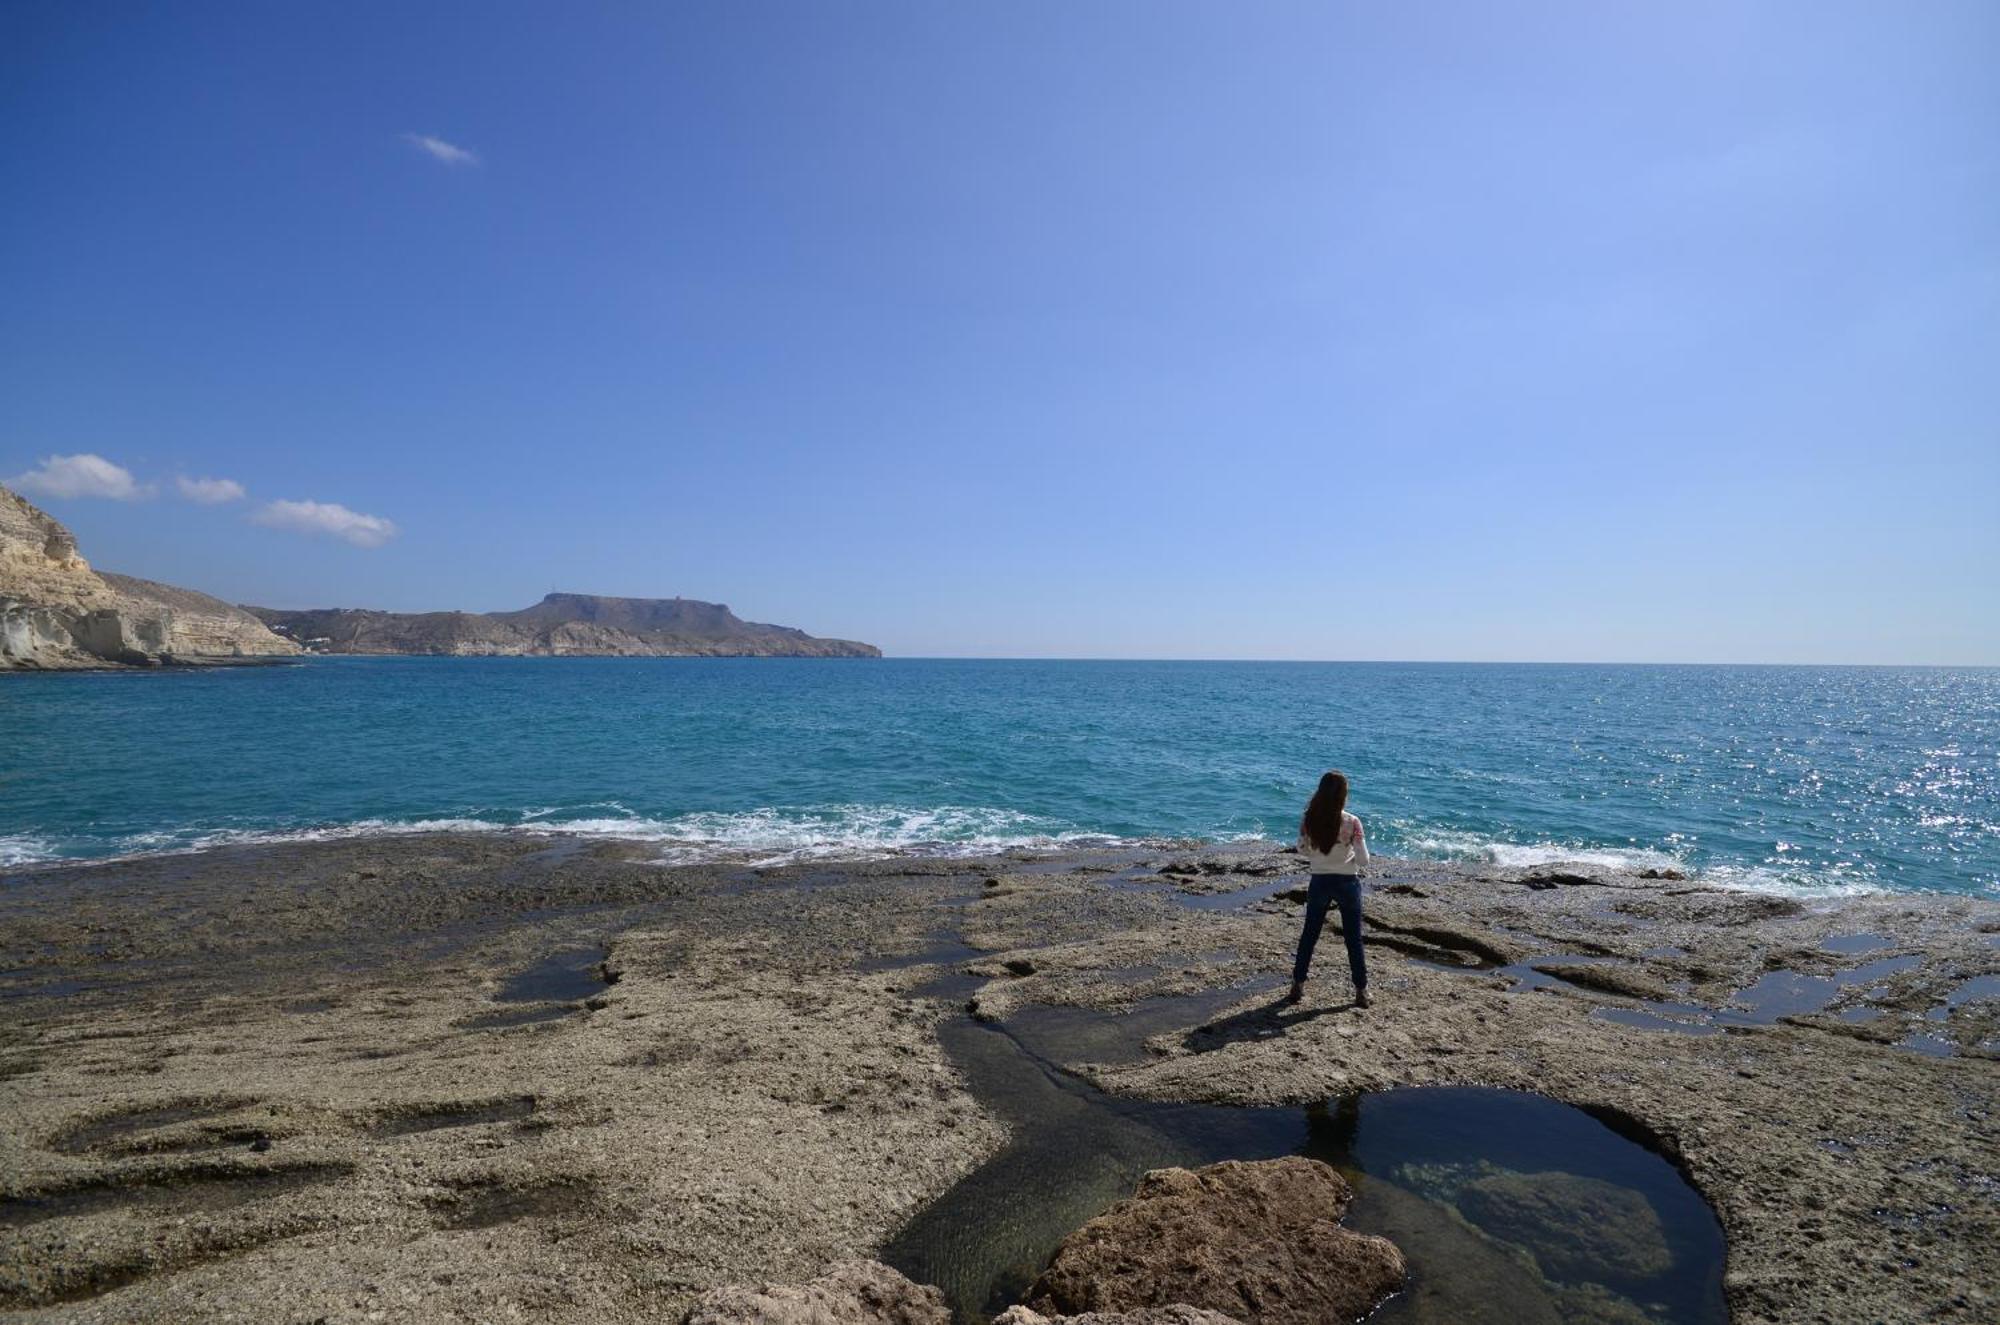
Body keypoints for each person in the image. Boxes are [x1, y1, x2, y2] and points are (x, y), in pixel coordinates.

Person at [1287, 769, 1370, 1007]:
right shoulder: (1352, 822)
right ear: (1343, 795)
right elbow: (1364, 860)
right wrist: (1349, 853)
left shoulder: (1308, 819)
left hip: (1320, 881)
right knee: (1353, 939)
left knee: (1309, 935)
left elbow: (1302, 850)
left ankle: (1297, 985)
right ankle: (1361, 991)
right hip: (1347, 882)